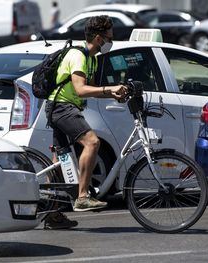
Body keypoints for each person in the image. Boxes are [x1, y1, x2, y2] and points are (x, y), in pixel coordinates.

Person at [43, 15, 127, 229]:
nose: (111, 41)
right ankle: (82, 197)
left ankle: (52, 214)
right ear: (99, 38)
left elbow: (89, 91)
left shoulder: (93, 58)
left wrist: (112, 93)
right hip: (61, 107)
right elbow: (80, 89)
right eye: (109, 37)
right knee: (92, 142)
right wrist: (109, 89)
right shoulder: (78, 56)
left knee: (59, 163)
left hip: (64, 107)